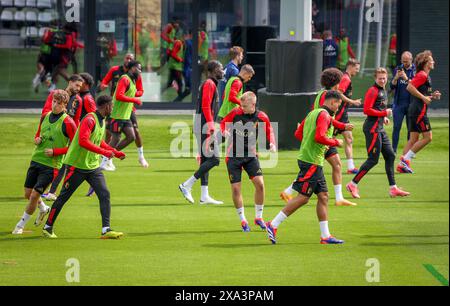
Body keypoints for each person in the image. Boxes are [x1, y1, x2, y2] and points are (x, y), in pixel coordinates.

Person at [265, 91, 345, 245]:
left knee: (323, 196)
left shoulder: (312, 113)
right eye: (338, 105)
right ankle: (273, 224)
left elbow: (298, 133)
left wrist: (310, 146)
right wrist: (335, 142)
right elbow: (319, 137)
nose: (338, 108)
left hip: (311, 160)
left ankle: (325, 236)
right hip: (312, 162)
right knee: (303, 198)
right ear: (332, 102)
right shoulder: (325, 116)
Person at [42, 96, 126, 239]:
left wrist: (116, 152)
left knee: (104, 194)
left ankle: (106, 229)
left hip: (92, 168)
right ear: (106, 106)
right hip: (77, 166)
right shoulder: (90, 119)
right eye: (111, 106)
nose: (113, 109)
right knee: (63, 197)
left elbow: (98, 141)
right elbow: (83, 141)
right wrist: (104, 152)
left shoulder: (102, 120)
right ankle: (48, 227)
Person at [281, 68, 357, 207]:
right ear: (336, 82)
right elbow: (324, 116)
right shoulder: (328, 96)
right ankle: (338, 198)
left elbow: (321, 115)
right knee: (326, 167)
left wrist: (342, 126)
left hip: (321, 136)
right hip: (322, 137)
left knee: (318, 169)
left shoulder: (321, 94)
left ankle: (288, 191)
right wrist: (334, 136)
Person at [13, 90, 76, 235]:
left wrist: (56, 152)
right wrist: (37, 139)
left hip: (51, 165)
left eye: (59, 103)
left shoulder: (68, 122)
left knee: (34, 195)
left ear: (65, 105)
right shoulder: (45, 116)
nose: (55, 105)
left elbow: (74, 146)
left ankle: (20, 225)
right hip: (36, 159)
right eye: (54, 102)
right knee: (28, 194)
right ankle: (43, 208)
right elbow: (38, 133)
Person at [346, 68, 410, 199]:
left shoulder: (383, 90)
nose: (382, 80)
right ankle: (352, 184)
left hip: (379, 128)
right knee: (373, 160)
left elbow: (378, 108)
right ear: (375, 78)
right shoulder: (372, 90)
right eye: (380, 78)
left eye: (384, 78)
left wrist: (383, 117)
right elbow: (366, 110)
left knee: (391, 155)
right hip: (372, 129)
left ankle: (393, 189)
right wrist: (383, 113)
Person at [220, 92, 276, 232]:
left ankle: (259, 217)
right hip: (233, 156)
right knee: (236, 188)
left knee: (260, 185)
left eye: (244, 106)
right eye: (241, 105)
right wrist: (224, 131)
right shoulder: (235, 112)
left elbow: (269, 130)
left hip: (250, 155)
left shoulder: (261, 116)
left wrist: (272, 143)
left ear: (253, 104)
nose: (242, 108)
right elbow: (222, 123)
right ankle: (243, 220)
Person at [178, 61, 224, 205]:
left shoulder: (210, 84)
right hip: (204, 127)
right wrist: (211, 127)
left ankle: (204, 196)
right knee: (215, 159)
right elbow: (205, 106)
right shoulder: (209, 84)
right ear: (212, 71)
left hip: (202, 126)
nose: (222, 71)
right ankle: (187, 184)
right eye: (220, 69)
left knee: (206, 160)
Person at [100, 54, 148, 170]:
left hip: (125, 115)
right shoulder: (124, 79)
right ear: (132, 68)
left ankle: (108, 157)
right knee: (115, 138)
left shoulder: (133, 80)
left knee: (131, 137)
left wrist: (135, 96)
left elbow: (138, 91)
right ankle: (104, 162)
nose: (140, 71)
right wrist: (134, 99)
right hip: (117, 114)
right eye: (138, 68)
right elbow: (119, 95)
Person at [397, 51, 441, 174]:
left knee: (413, 139)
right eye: (431, 60)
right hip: (418, 111)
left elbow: (421, 93)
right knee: (428, 137)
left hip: (414, 109)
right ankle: (405, 160)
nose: (433, 62)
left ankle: (402, 165)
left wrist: (432, 96)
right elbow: (410, 87)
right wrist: (424, 98)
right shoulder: (422, 75)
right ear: (426, 63)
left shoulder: (425, 75)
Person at [336, 59, 362, 174]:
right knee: (325, 141)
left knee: (349, 139)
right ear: (350, 66)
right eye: (356, 68)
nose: (357, 71)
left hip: (342, 114)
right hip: (339, 114)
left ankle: (351, 167)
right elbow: (339, 94)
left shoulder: (346, 78)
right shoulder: (345, 78)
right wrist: (353, 101)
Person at [390, 51, 415, 154]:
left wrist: (405, 78)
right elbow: (392, 86)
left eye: (406, 61)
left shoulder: (415, 70)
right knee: (396, 127)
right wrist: (396, 78)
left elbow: (415, 85)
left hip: (411, 104)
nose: (404, 63)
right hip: (399, 104)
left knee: (411, 129)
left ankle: (409, 152)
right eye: (403, 61)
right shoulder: (398, 69)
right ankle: (393, 150)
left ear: (411, 60)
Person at [166, 36, 185, 102]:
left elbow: (170, 52)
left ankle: (179, 100)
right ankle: (179, 100)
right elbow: (173, 54)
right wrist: (180, 59)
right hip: (176, 67)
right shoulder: (179, 43)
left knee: (169, 83)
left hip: (174, 66)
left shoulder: (179, 43)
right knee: (180, 84)